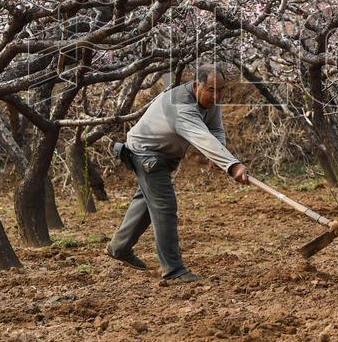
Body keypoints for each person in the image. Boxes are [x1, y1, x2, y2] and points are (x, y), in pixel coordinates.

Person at [106, 64, 249, 282]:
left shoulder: (211, 101)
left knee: (146, 204)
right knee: (164, 207)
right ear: (196, 86)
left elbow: (215, 129)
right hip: (147, 155)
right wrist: (232, 165)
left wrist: (220, 155)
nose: (217, 96)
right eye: (211, 90)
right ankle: (173, 271)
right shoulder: (181, 106)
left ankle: (118, 248)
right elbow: (201, 136)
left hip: (162, 156)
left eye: (221, 90)